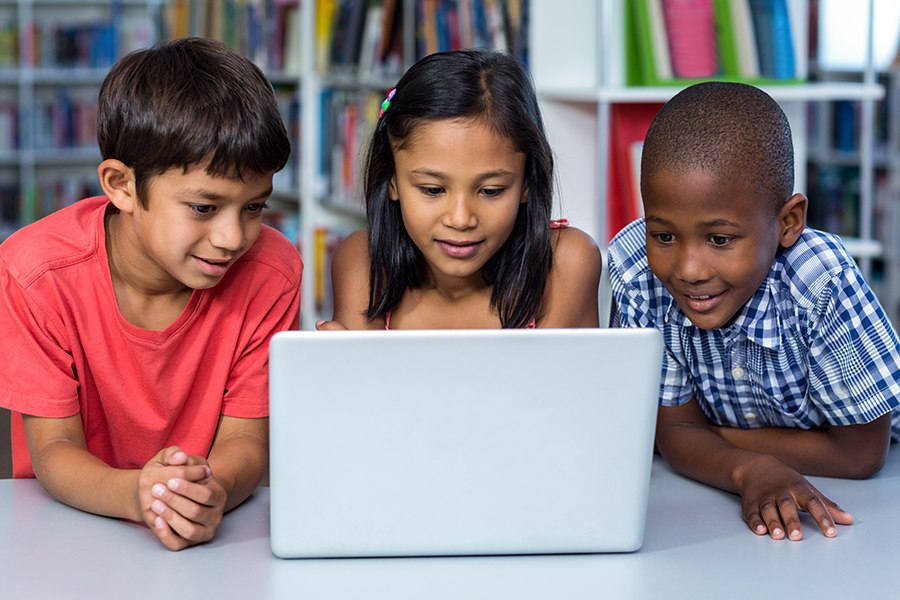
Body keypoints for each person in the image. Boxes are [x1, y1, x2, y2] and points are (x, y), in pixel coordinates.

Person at [0, 38, 302, 551]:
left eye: (254, 207)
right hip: (61, 538)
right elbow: (54, 449)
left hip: (211, 547)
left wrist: (210, 492)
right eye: (204, 208)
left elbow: (245, 440)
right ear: (121, 185)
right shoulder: (34, 274)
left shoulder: (272, 274)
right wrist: (143, 495)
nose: (233, 238)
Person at [608, 81, 900, 542]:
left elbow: (861, 454)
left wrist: (696, 435)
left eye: (720, 239)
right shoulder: (637, 272)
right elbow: (670, 435)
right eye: (664, 236)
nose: (688, 270)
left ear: (788, 223)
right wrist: (749, 468)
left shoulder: (821, 281)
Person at [317, 49, 602, 331]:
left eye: (491, 191)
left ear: (527, 182)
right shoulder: (364, 262)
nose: (460, 219)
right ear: (392, 180)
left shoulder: (564, 263)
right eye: (432, 190)